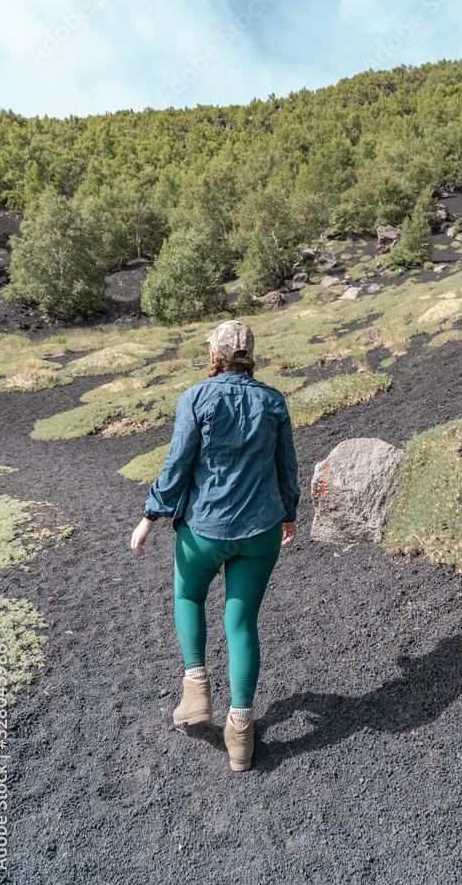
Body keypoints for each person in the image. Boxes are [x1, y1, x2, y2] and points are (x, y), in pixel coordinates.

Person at [130, 320, 300, 772]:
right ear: (249, 355)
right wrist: (290, 513)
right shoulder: (273, 400)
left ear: (215, 355)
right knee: (242, 624)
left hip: (204, 530)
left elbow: (177, 464)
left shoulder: (196, 398)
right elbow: (287, 464)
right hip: (261, 531)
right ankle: (240, 735)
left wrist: (150, 516)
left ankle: (196, 691)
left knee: (189, 595)